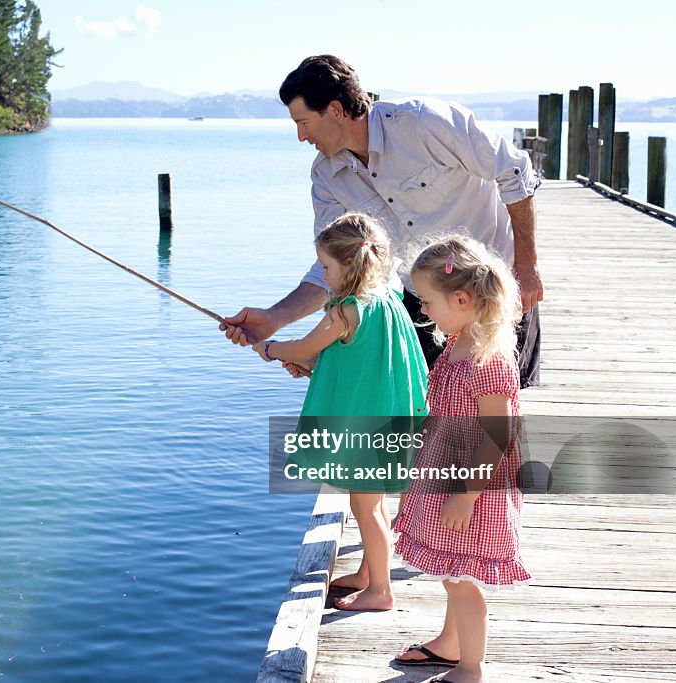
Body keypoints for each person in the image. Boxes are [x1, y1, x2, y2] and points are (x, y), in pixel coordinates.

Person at [221, 54, 542, 389]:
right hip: (425, 306)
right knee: (428, 417)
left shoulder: (423, 123)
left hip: (496, 291)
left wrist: (527, 266)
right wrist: (275, 319)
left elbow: (515, 172)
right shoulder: (327, 177)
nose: (301, 136)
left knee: (502, 413)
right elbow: (336, 267)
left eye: (304, 122)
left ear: (335, 110)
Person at [252, 213, 428, 611]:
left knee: (363, 507)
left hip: (367, 425)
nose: (324, 277)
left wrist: (271, 349)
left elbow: (305, 347)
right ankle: (368, 574)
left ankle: (380, 591)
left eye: (326, 268)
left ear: (349, 265)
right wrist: (315, 367)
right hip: (388, 415)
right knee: (376, 503)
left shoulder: (345, 310)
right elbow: (358, 359)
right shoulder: (387, 298)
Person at [391, 236, 530, 682]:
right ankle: (451, 645)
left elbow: (497, 436)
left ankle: (472, 667)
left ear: (463, 298)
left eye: (428, 301)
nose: (424, 311)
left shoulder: (488, 360)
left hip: (473, 491)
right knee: (452, 570)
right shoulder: (457, 344)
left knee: (463, 579)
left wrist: (466, 496)